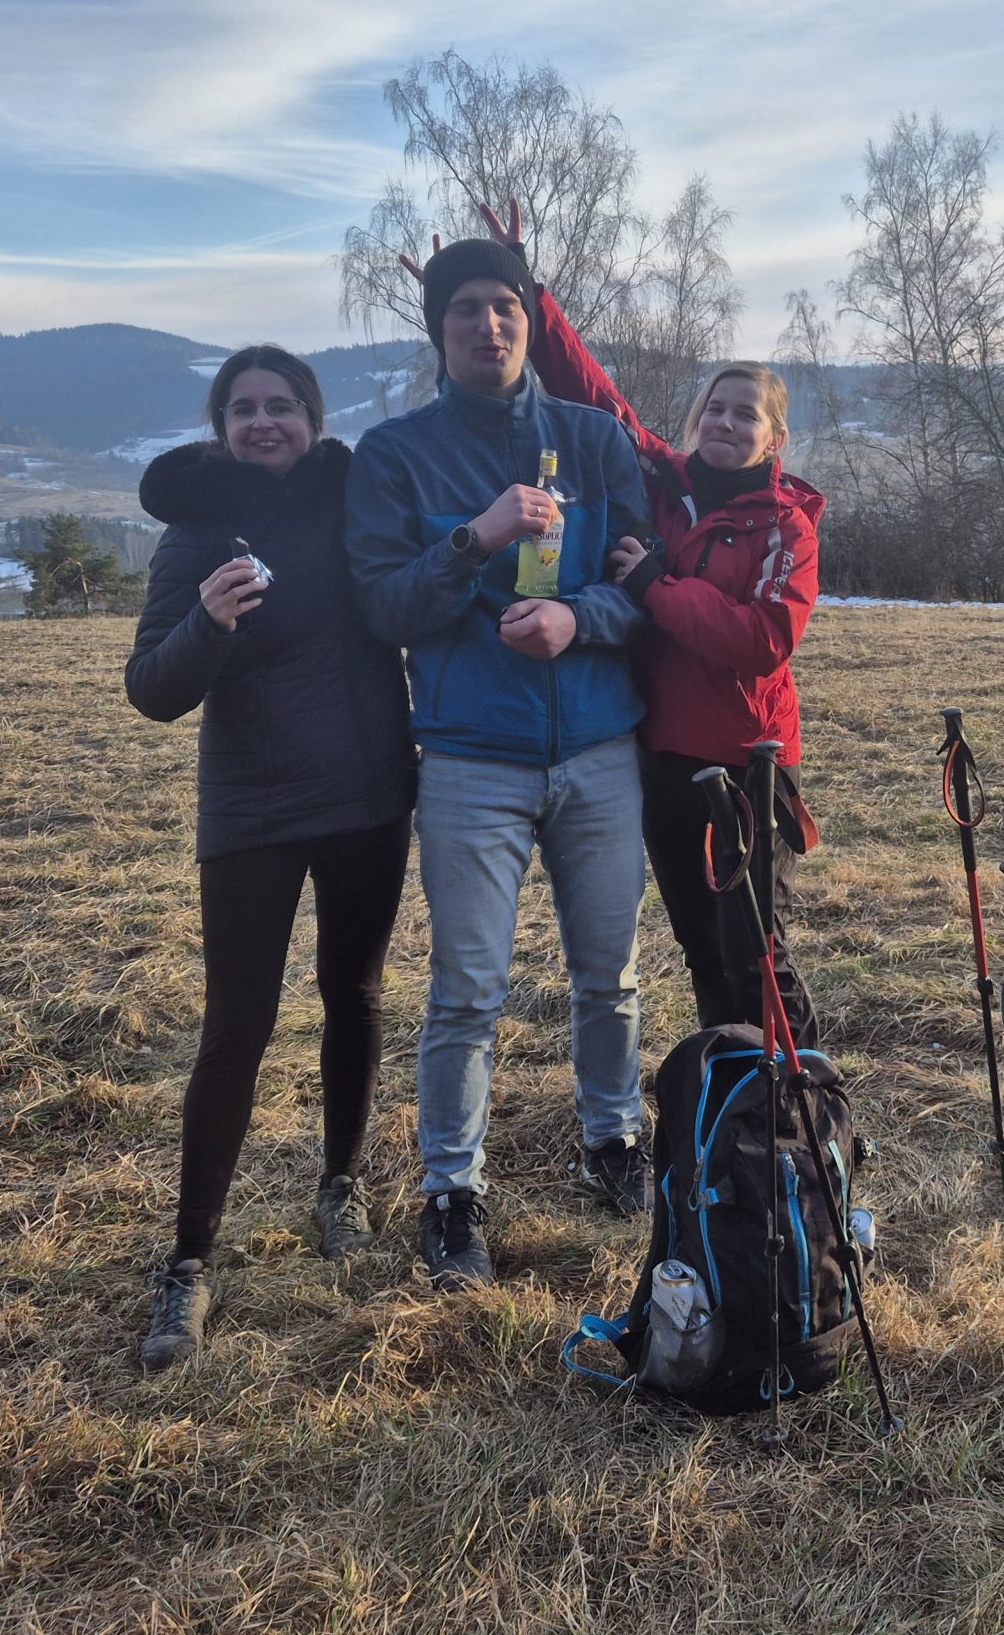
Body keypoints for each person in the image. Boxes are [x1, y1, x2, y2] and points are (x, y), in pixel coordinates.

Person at [344, 235, 656, 1293]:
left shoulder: (595, 441)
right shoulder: (396, 455)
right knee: (467, 990)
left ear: (529, 320)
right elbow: (382, 607)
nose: (489, 325)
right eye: (466, 308)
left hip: (599, 750)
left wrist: (577, 619)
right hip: (470, 760)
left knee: (609, 976)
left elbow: (642, 588)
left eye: (505, 306)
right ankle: (451, 1193)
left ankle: (615, 1140)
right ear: (438, 328)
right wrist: (472, 540)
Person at [123, 346, 414, 1371]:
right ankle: (189, 1262)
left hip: (367, 793)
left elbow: (413, 595)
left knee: (355, 996)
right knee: (235, 1028)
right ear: (220, 427)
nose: (263, 421)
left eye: (281, 405)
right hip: (251, 804)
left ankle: (341, 1187)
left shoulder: (357, 503)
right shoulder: (198, 531)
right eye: (242, 408)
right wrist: (206, 624)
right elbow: (152, 689)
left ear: (314, 419)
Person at [522, 268, 824, 1049]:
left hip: (749, 766)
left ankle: (803, 1097)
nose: (725, 421)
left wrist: (656, 586)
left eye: (745, 413)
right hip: (662, 759)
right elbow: (599, 401)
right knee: (699, 945)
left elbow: (763, 643)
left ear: (774, 439)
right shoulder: (666, 481)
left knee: (755, 951)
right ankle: (732, 1094)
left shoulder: (787, 527)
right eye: (714, 408)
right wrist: (530, 297)